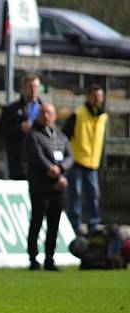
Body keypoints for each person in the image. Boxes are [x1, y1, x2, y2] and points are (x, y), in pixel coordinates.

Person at [24, 103, 73, 271]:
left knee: (54, 225)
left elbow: (69, 156)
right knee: (36, 222)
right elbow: (37, 157)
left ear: (55, 116)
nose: (46, 116)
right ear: (38, 115)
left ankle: (50, 258)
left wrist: (61, 169)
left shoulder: (60, 136)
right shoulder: (33, 135)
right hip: (40, 186)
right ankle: (33, 258)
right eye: (43, 113)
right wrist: (51, 170)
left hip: (57, 188)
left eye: (49, 113)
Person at [62, 84, 107, 234]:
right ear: (88, 96)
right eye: (95, 96)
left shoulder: (102, 116)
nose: (97, 99)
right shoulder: (78, 114)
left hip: (93, 163)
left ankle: (93, 225)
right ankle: (75, 225)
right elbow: (65, 135)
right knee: (75, 194)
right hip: (77, 161)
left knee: (94, 195)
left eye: (100, 96)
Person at [0, 74, 43, 179]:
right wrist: (19, 128)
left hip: (40, 159)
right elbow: (1, 131)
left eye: (36, 87)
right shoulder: (11, 109)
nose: (33, 89)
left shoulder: (44, 110)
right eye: (30, 86)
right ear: (23, 88)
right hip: (19, 159)